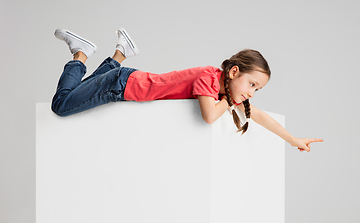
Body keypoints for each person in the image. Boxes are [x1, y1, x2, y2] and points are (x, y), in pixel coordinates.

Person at [52, 28, 323, 152]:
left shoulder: (221, 90)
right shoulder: (208, 79)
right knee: (61, 105)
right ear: (233, 73)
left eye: (257, 89)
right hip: (121, 86)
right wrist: (231, 102)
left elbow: (259, 116)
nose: (252, 93)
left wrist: (292, 139)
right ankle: (80, 54)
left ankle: (121, 53)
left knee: (85, 88)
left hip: (125, 81)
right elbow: (209, 116)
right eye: (252, 85)